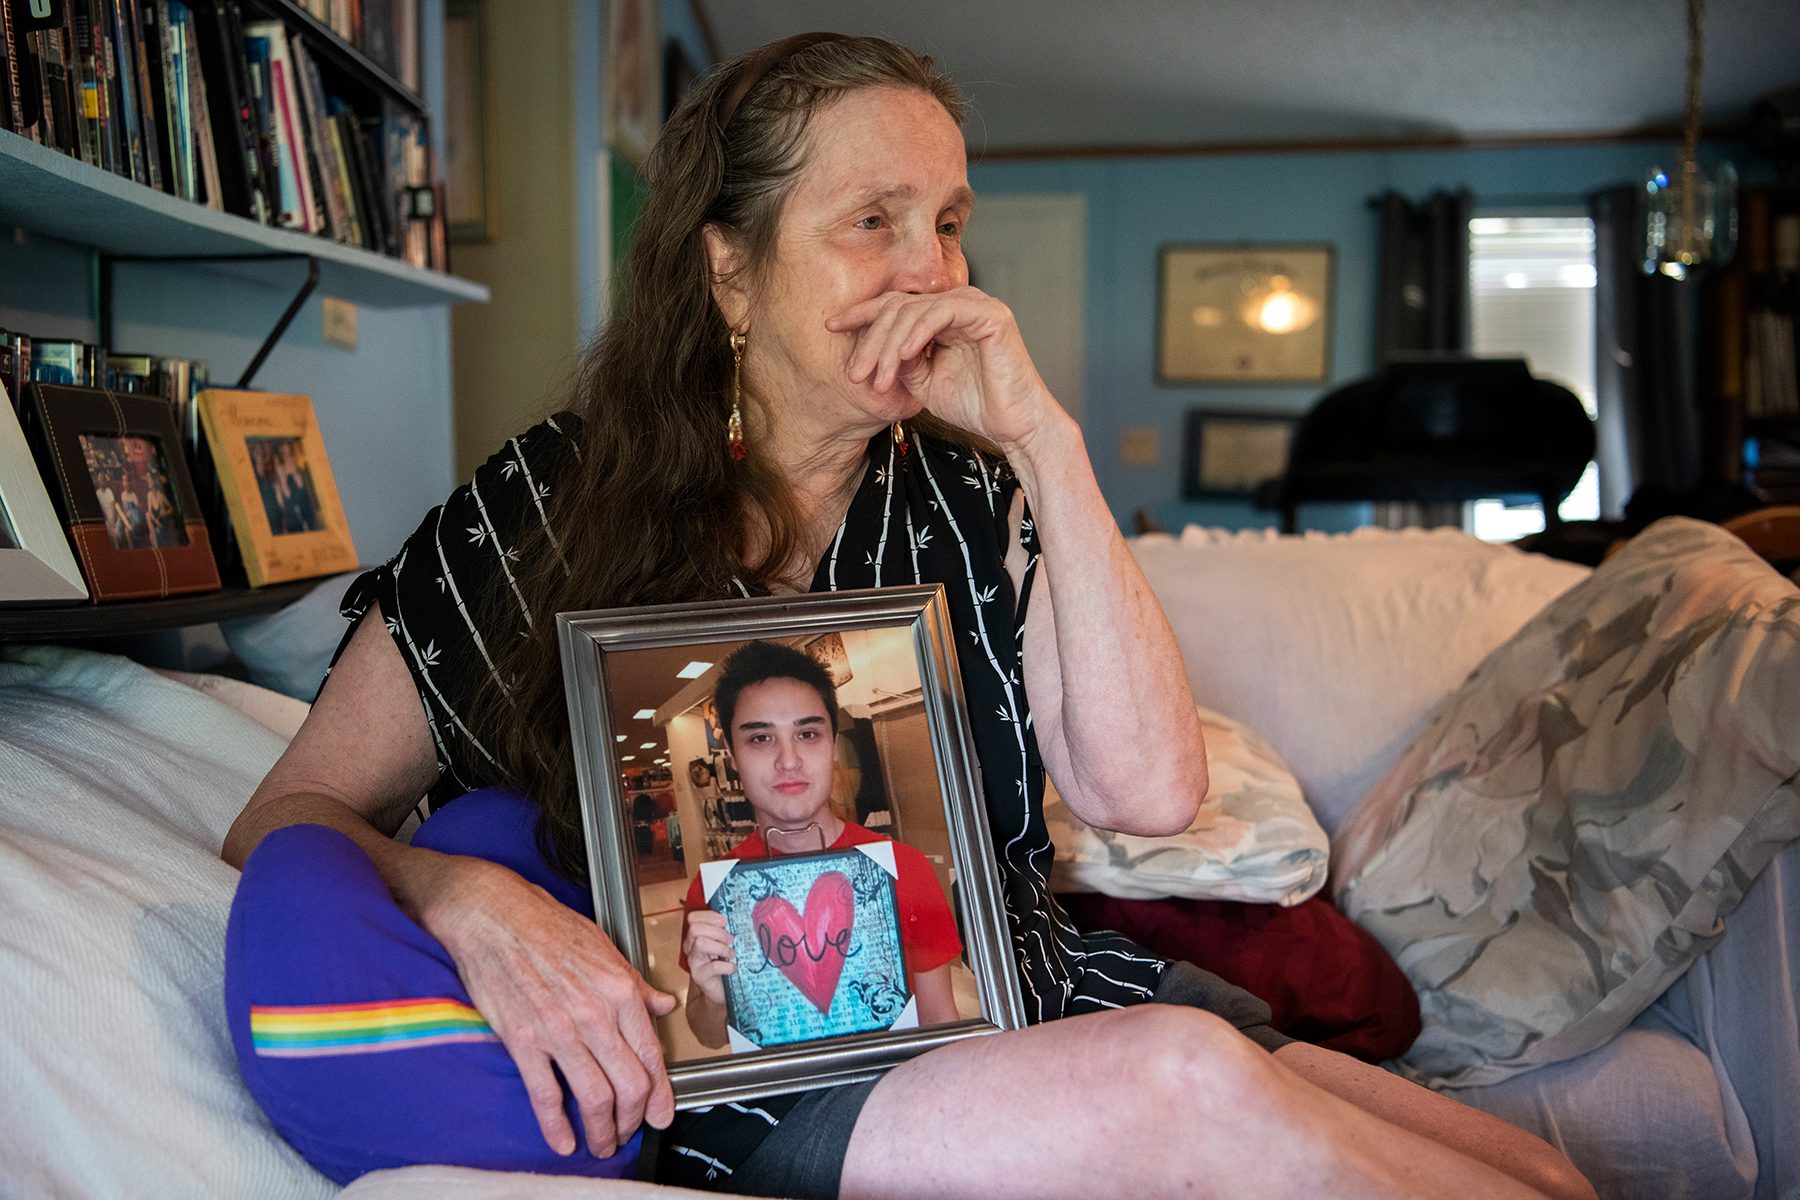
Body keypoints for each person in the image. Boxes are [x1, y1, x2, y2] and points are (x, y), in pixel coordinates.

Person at [223, 31, 1595, 1200]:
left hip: (1048, 991)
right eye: (872, 220)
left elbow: (1150, 793)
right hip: (770, 1073)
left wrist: (1046, 440)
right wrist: (465, 901)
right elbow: (286, 815)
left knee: (1549, 1177)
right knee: (1190, 1081)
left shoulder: (972, 492)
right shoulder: (547, 502)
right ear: (730, 271)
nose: (932, 268)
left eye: (947, 220)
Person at [678, 641, 963, 1049]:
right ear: (732, 755)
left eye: (807, 734)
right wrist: (713, 997)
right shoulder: (717, 890)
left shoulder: (902, 868)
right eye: (760, 739)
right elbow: (707, 1035)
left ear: (832, 746)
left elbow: (939, 1019)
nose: (788, 760)